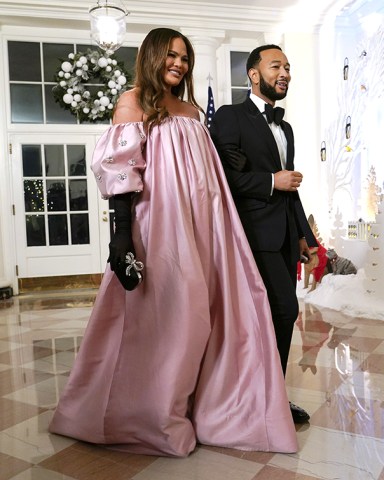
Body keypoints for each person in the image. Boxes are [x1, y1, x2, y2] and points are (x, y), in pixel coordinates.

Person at [49, 29, 298, 457]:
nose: (178, 64)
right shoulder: (132, 103)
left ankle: (206, 405)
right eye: (170, 55)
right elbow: (121, 174)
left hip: (205, 226)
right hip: (160, 227)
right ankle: (151, 410)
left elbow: (208, 173)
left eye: (184, 57)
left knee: (210, 315)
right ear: (151, 56)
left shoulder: (191, 111)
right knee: (169, 319)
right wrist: (123, 235)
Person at [210, 44, 317, 424]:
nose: (284, 72)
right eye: (276, 66)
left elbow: (292, 187)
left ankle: (269, 397)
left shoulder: (284, 126)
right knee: (283, 311)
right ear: (254, 74)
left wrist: (305, 236)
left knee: (278, 315)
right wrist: (272, 180)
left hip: (285, 235)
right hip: (253, 234)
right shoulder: (230, 116)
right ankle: (261, 399)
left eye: (288, 66)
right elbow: (224, 180)